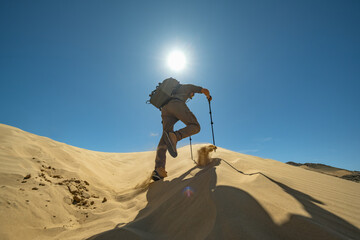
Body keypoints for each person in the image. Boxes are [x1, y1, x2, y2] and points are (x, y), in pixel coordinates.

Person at [152, 80, 212, 181]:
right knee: (195, 126)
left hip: (164, 109)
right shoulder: (187, 87)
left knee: (165, 137)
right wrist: (208, 96)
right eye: (191, 95)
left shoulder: (172, 91)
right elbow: (205, 90)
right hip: (176, 104)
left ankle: (159, 169)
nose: (191, 96)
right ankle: (176, 136)